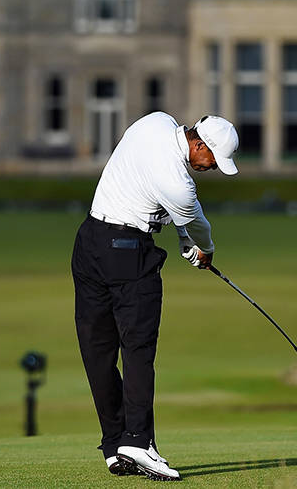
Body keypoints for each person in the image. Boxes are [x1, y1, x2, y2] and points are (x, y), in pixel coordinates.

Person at [71, 112, 239, 481]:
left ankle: (115, 444)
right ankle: (139, 441)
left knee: (97, 349)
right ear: (199, 145)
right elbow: (197, 225)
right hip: (128, 253)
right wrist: (205, 250)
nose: (211, 168)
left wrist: (181, 239)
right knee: (138, 349)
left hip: (89, 243)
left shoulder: (156, 122)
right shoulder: (181, 184)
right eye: (212, 160)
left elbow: (152, 189)